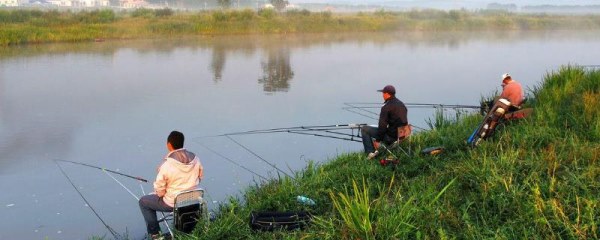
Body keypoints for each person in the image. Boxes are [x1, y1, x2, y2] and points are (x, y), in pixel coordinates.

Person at [139, 130, 204, 239]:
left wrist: (161, 194)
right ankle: (187, 228)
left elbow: (159, 190)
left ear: (169, 144)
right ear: (182, 143)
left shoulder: (167, 165)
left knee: (143, 202)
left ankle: (156, 235)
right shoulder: (196, 159)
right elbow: (200, 176)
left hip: (173, 203)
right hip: (193, 199)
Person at [361, 85, 408, 159]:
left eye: (383, 93)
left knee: (364, 129)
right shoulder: (401, 104)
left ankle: (371, 153)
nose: (382, 95)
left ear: (387, 94)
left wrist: (378, 140)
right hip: (402, 136)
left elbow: (382, 125)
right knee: (380, 129)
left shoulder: (386, 107)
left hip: (391, 138)